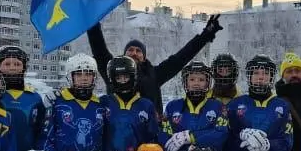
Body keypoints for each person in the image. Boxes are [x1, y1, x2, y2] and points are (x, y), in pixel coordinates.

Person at [85, 14, 224, 111]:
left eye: (139, 51)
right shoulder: (112, 71)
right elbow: (99, 50)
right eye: (130, 50)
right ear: (124, 54)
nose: (134, 53)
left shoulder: (154, 75)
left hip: (149, 143)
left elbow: (180, 58)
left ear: (144, 57)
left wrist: (206, 35)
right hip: (117, 139)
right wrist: (91, 21)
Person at [43, 53, 109, 151]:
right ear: (70, 77)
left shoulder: (100, 105)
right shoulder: (57, 103)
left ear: (94, 77)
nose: (84, 78)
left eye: (88, 74)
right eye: (79, 74)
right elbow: (45, 137)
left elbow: (104, 140)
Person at [99, 55, 160, 151]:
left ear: (134, 77)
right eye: (118, 78)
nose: (122, 81)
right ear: (112, 79)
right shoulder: (103, 102)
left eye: (126, 77)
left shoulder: (146, 105)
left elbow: (153, 141)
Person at [160, 60, 229, 151]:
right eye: (192, 79)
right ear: (185, 82)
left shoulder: (218, 106)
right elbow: (165, 140)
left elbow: (220, 135)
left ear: (208, 82)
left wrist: (191, 137)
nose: (196, 83)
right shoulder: (172, 106)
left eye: (201, 80)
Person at [0, 45, 48, 151]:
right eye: (7, 64)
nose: (12, 68)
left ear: (24, 67)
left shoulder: (34, 98)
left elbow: (42, 132)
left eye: (17, 64)